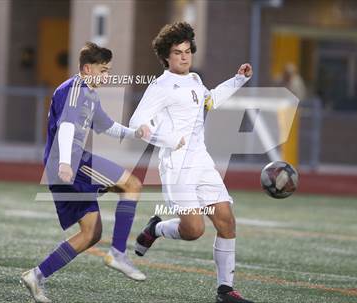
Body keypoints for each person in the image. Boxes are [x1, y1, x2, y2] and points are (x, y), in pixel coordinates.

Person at [129, 22, 254, 303]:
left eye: (187, 51)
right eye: (177, 52)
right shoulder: (160, 86)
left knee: (227, 222)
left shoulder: (195, 80)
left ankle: (225, 290)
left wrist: (237, 80)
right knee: (194, 231)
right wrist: (167, 138)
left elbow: (209, 102)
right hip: (176, 167)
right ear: (166, 57)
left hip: (202, 162)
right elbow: (136, 122)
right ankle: (156, 229)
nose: (184, 57)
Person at [21, 42, 151, 303]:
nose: (107, 76)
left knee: (91, 233)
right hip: (73, 163)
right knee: (133, 185)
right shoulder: (75, 90)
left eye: (109, 71)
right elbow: (67, 126)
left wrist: (133, 133)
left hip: (66, 166)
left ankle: (36, 275)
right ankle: (117, 253)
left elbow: (107, 126)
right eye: (103, 71)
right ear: (87, 68)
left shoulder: (89, 92)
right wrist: (67, 163)